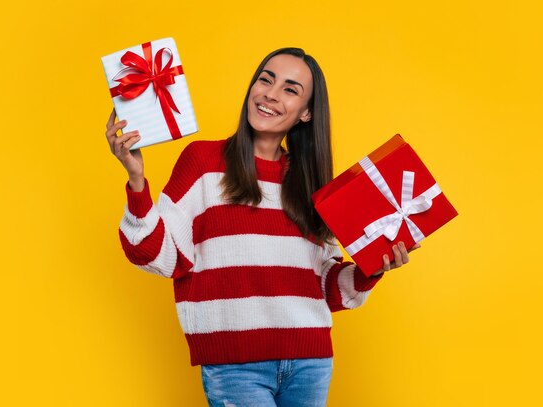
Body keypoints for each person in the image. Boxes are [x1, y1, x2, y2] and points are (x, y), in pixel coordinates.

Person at [105, 47, 416, 407]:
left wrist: (371, 268)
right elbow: (159, 256)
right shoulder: (203, 162)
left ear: (306, 113)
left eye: (290, 89)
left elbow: (327, 287)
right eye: (265, 79)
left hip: (311, 363)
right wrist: (137, 179)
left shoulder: (311, 185)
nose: (270, 93)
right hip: (235, 366)